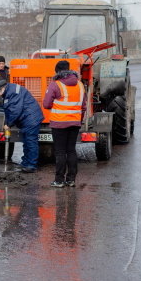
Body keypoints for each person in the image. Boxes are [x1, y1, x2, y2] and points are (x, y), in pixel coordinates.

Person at [43, 60, 86, 188]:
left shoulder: (55, 85)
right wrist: (79, 120)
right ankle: (71, 180)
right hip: (75, 123)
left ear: (57, 72)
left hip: (59, 123)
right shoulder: (80, 85)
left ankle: (59, 180)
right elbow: (83, 106)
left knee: (60, 151)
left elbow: (46, 104)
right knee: (71, 150)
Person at [0, 81, 44, 173]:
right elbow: (8, 110)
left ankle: (32, 165)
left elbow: (15, 111)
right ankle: (26, 162)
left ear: (2, 89)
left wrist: (9, 124)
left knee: (30, 142)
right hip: (26, 119)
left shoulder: (13, 93)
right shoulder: (7, 92)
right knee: (26, 142)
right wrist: (6, 122)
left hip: (31, 118)